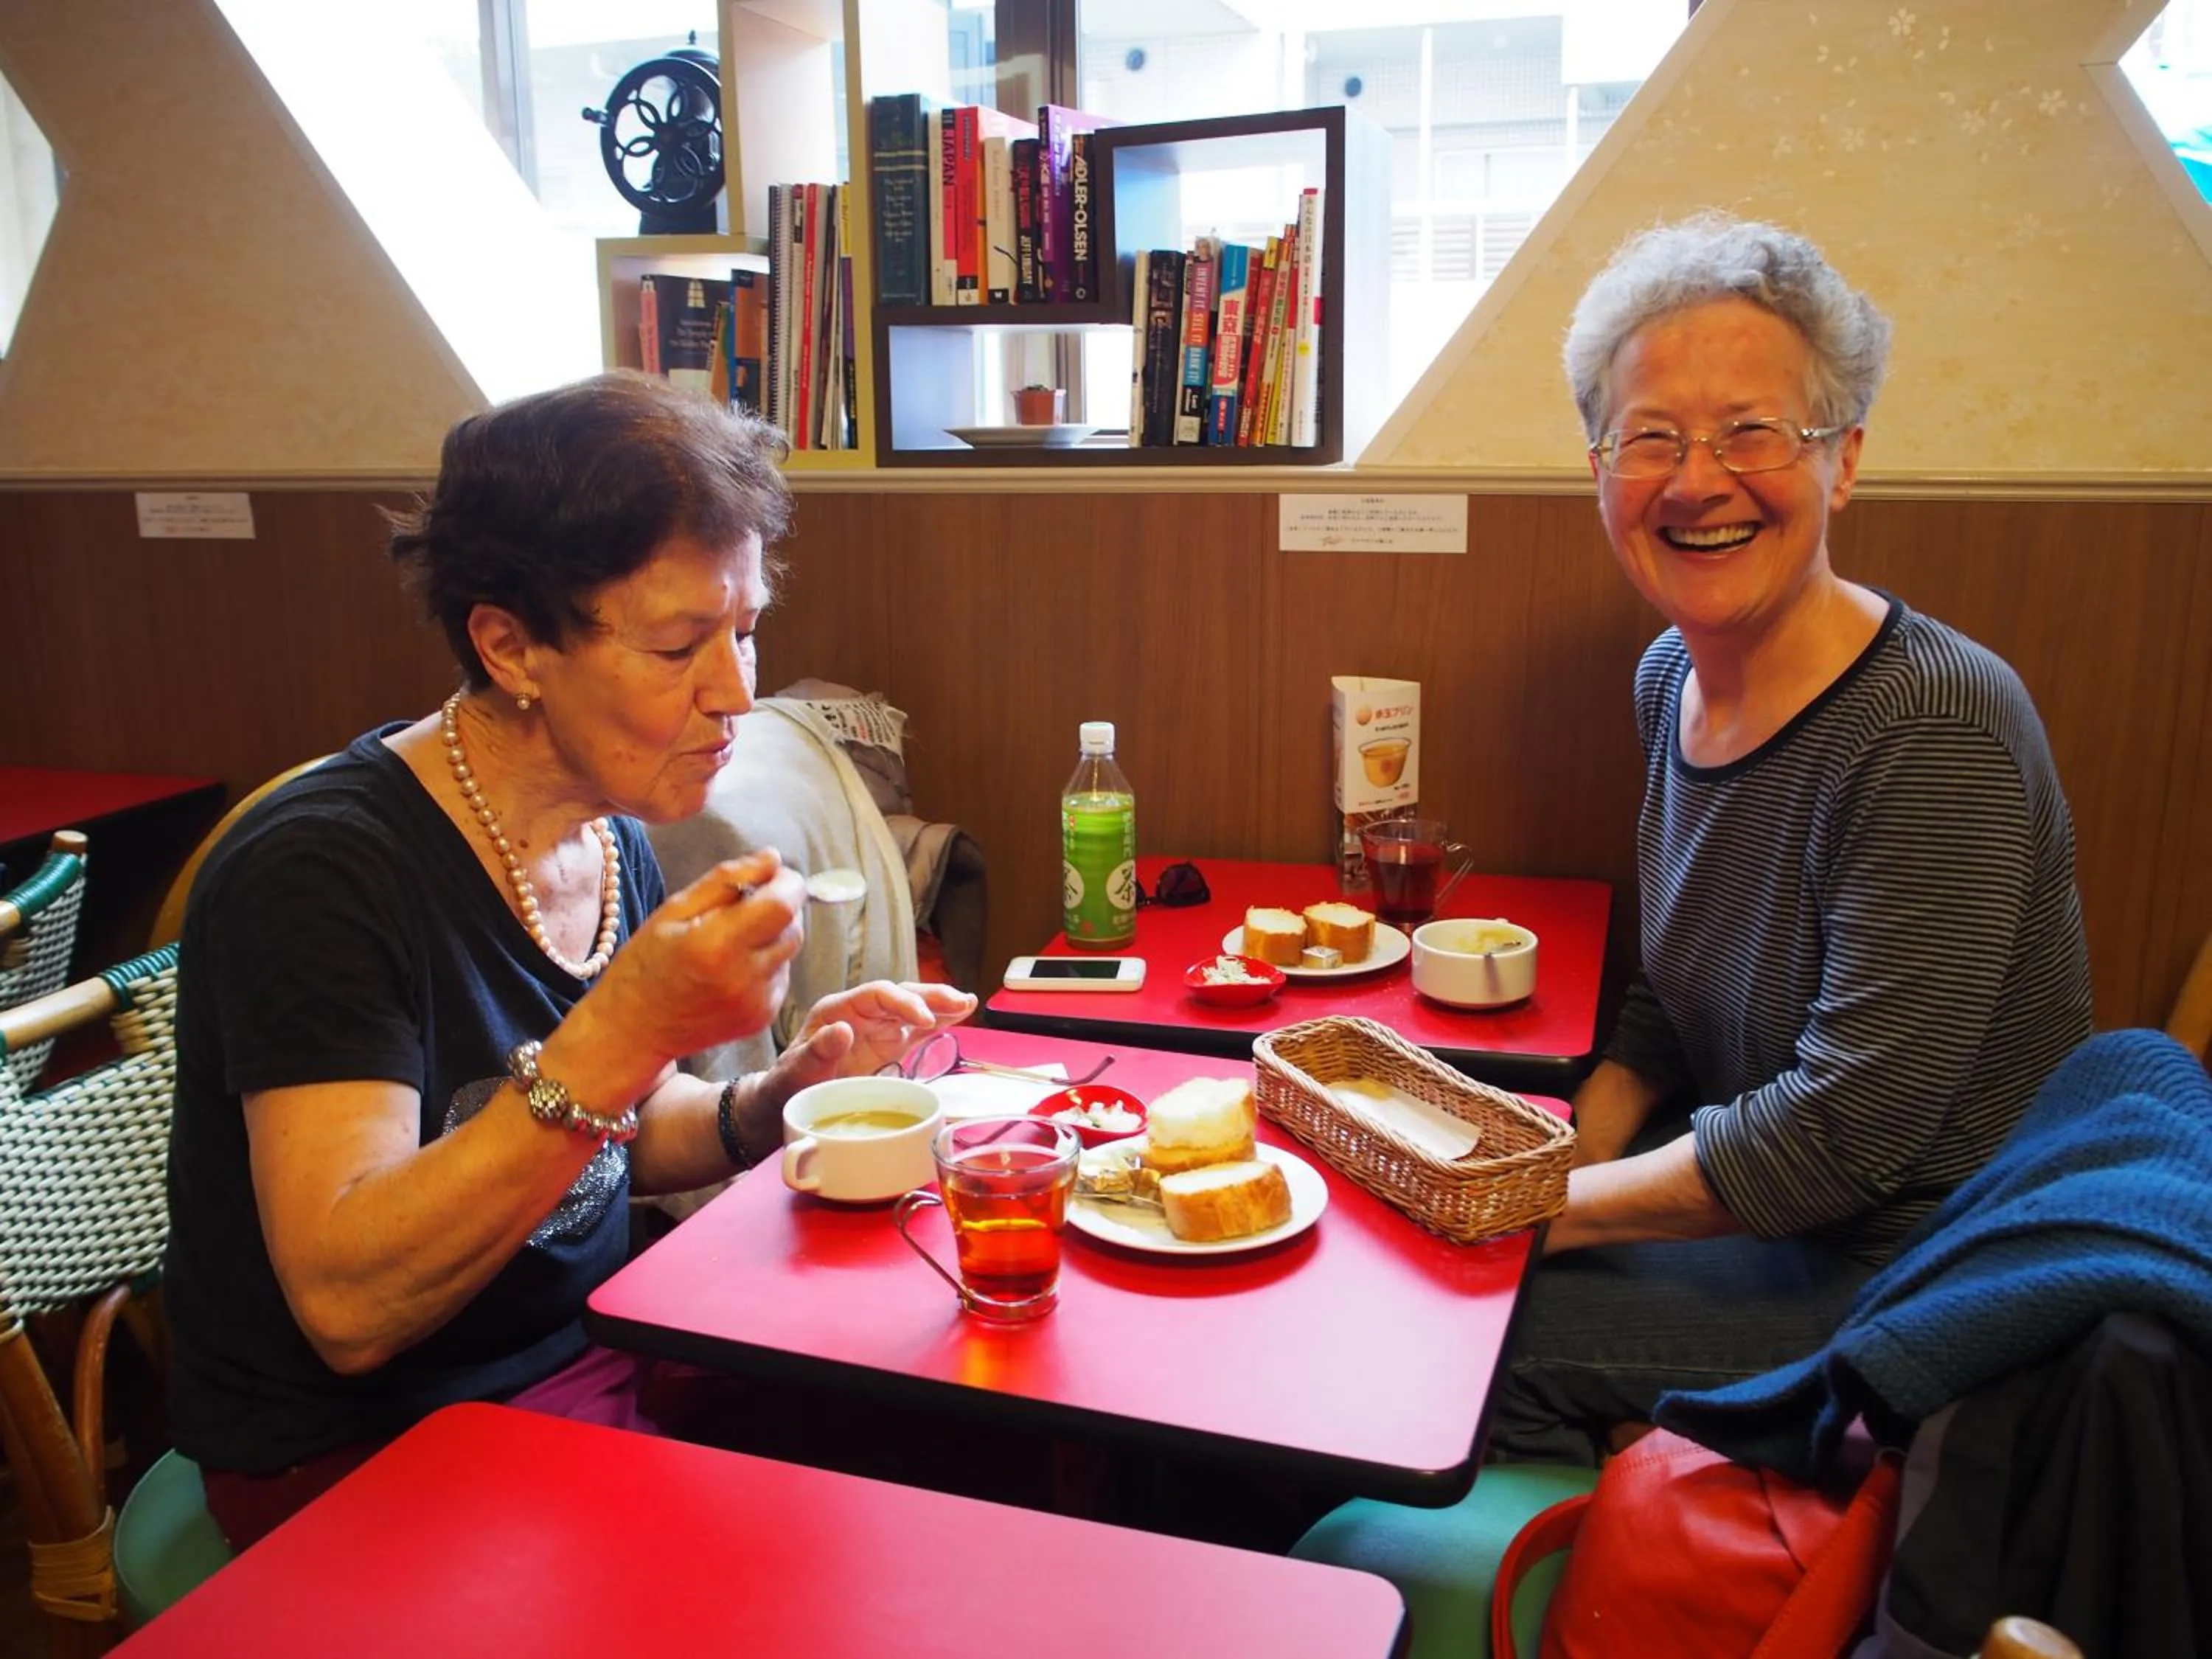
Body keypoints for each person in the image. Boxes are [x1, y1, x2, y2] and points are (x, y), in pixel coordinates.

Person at [162, 372, 976, 1543]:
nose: (738, 693)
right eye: (679, 644)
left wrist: (776, 1097)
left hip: (594, 1361)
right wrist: (628, 1027)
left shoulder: (605, 826)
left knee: (971, 1434)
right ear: (510, 645)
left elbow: (622, 1135)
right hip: (368, 1457)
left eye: (745, 629)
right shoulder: (319, 874)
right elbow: (349, 1299)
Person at [1486, 214, 2093, 1464]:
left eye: (1752, 431)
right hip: (1754, 1207)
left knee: (1442, 1341)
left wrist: (1528, 1210)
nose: (1696, 480)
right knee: (1433, 1271)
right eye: (1649, 436)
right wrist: (1570, 1150)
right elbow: (1669, 989)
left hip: (1906, 1274)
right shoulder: (1672, 676)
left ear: (1845, 458)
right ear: (1601, 464)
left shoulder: (1934, 730)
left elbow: (1839, 1141)